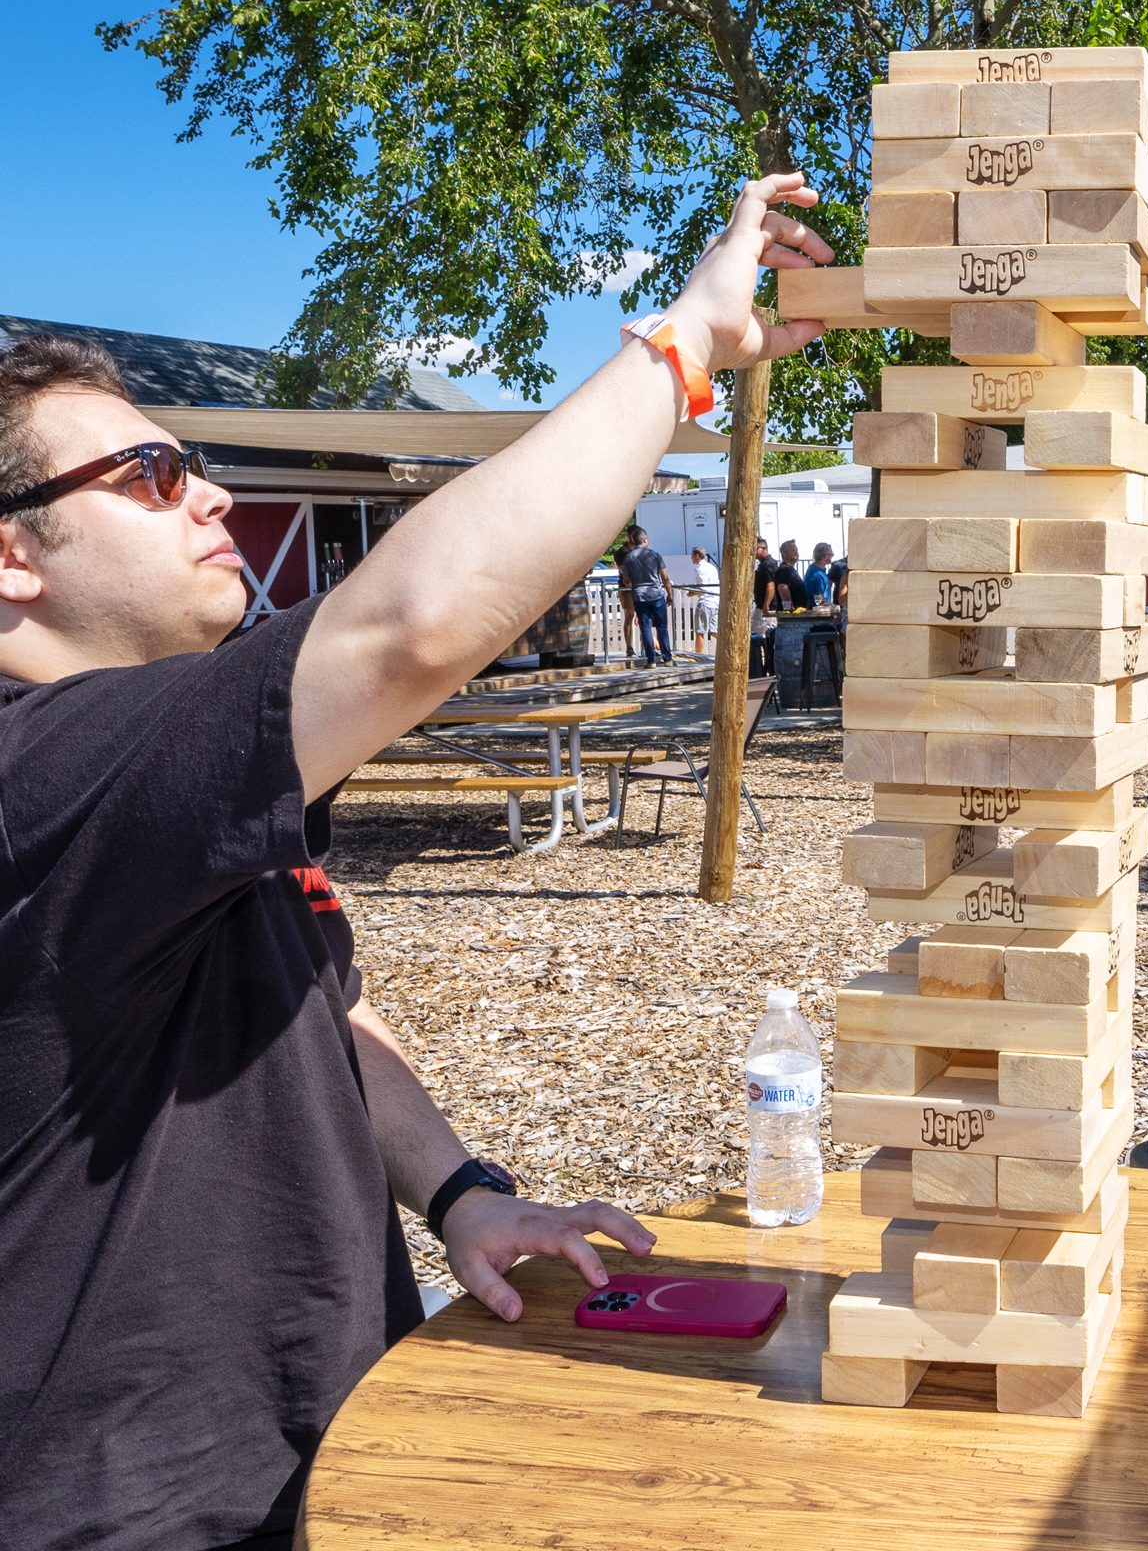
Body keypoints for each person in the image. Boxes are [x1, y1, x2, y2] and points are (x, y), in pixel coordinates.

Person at [0, 170, 831, 1549]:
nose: (208, 495)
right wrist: (683, 347)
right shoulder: (45, 778)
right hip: (138, 1509)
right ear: (14, 559)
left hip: (319, 1441)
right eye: (149, 476)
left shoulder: (161, 778)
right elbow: (414, 625)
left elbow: (319, 993)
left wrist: (462, 1194)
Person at [619, 525, 675, 666]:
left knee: (645, 628)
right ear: (644, 540)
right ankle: (667, 658)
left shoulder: (628, 558)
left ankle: (651, 661)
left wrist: (634, 580)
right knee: (662, 627)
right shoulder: (655, 555)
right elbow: (665, 577)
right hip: (656, 595)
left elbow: (626, 581)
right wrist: (669, 594)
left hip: (639, 596)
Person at [751, 535, 780, 675]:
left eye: (755, 548)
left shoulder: (768, 564)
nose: (753, 552)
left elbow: (771, 585)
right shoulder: (765, 564)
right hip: (763, 608)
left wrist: (766, 606)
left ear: (763, 549)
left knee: (762, 639)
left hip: (766, 611)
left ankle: (764, 669)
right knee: (762, 639)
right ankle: (764, 668)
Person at [615, 523, 642, 658]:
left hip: (641, 586)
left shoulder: (641, 550)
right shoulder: (621, 552)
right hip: (627, 587)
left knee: (644, 616)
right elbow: (624, 572)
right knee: (630, 615)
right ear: (629, 537)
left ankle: (647, 646)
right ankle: (629, 647)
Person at [687, 543, 719, 654]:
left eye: (692, 555)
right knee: (714, 631)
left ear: (697, 555)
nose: (691, 558)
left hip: (705, 602)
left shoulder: (700, 569)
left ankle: (699, 656)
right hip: (715, 601)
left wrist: (692, 593)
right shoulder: (712, 567)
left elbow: (703, 588)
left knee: (699, 632)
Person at [772, 538, 812, 613]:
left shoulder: (790, 569)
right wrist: (789, 610)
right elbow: (782, 588)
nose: (796, 552)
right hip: (792, 618)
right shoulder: (784, 570)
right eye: (793, 550)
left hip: (799, 614)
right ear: (784, 553)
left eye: (797, 550)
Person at [804, 541, 834, 607]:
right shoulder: (817, 575)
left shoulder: (813, 569)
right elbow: (819, 602)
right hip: (818, 615)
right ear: (826, 556)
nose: (832, 556)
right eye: (832, 554)